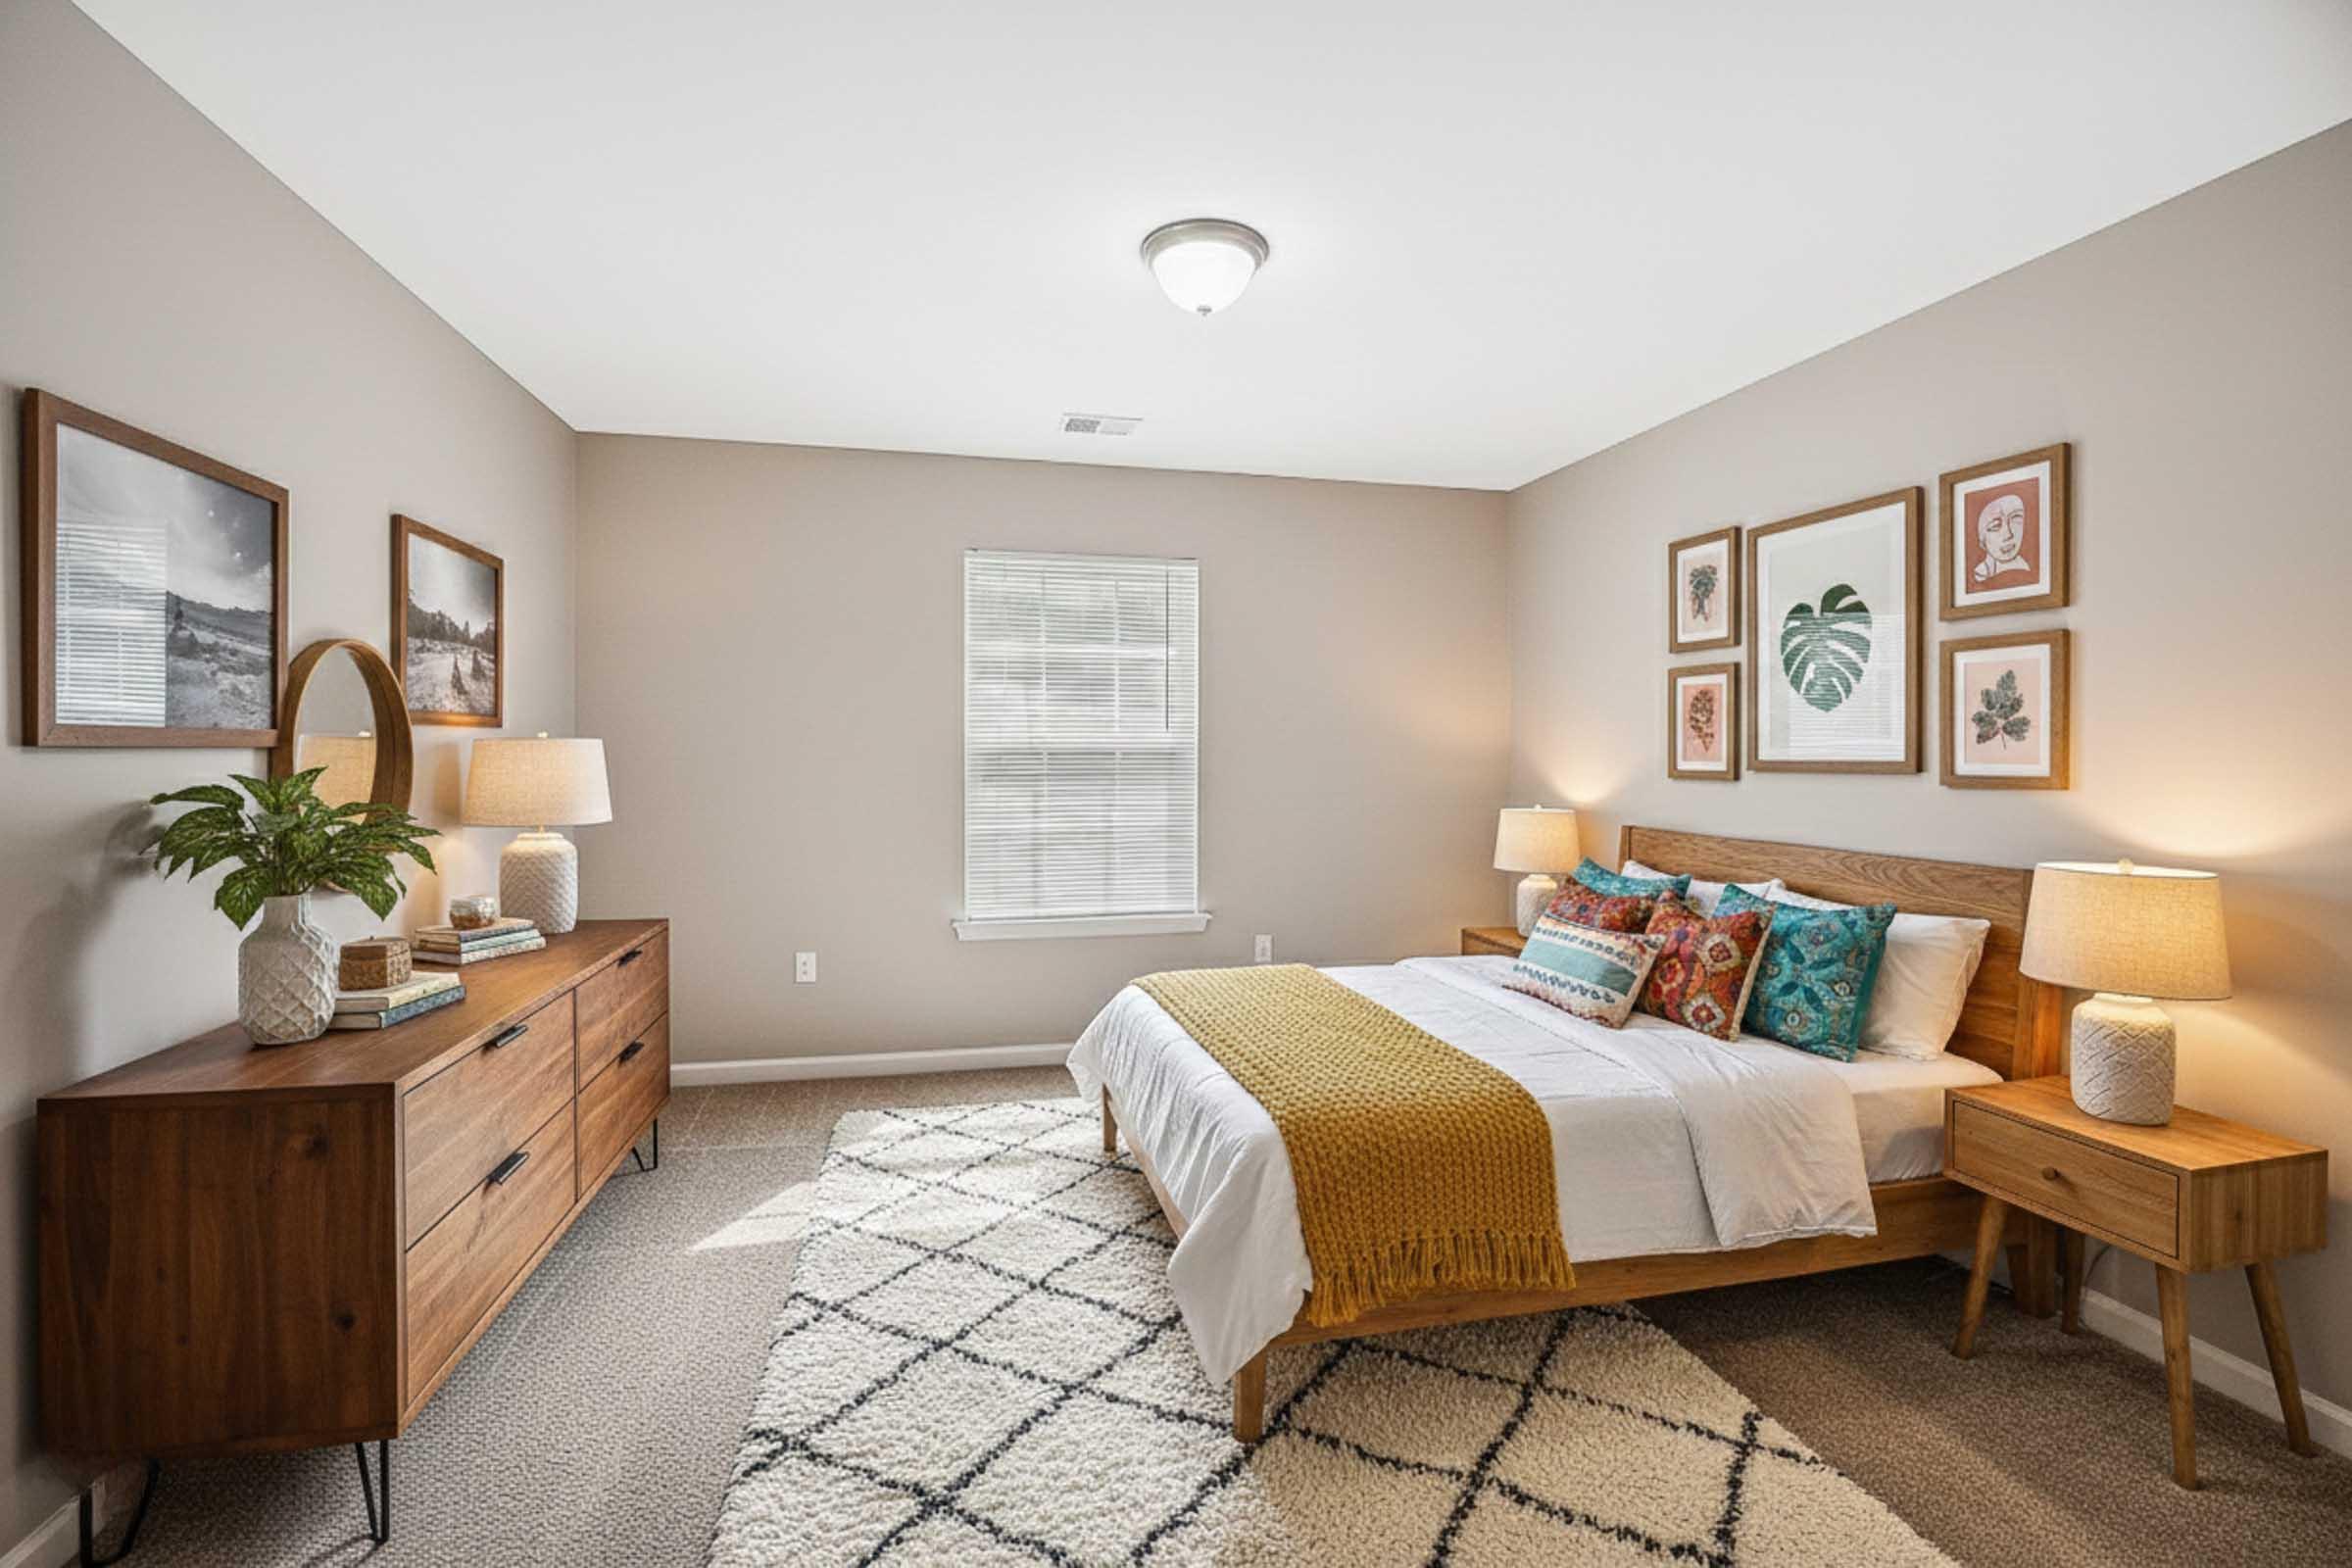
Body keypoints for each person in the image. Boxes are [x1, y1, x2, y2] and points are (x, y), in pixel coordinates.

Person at [1971, 492, 2032, 583]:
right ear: (1982, 541)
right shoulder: (1981, 573)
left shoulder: (2024, 566)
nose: (2008, 534)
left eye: (2016, 519)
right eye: (1995, 526)